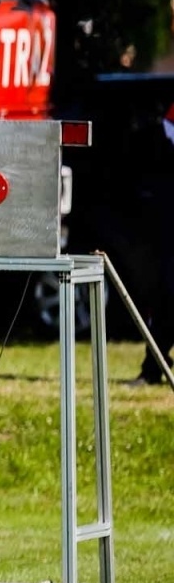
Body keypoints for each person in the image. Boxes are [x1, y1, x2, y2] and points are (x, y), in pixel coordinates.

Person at [129, 100, 174, 388]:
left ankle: (154, 367)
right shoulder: (155, 139)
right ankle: (153, 367)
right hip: (164, 229)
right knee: (165, 298)